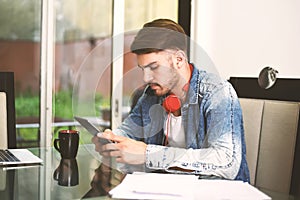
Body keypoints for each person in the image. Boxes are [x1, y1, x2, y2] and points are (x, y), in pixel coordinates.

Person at [93, 18, 250, 182]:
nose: (146, 78)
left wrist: (148, 155)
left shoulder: (217, 92)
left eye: (154, 67)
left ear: (179, 60)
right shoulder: (150, 95)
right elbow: (128, 131)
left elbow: (227, 163)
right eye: (143, 69)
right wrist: (112, 140)